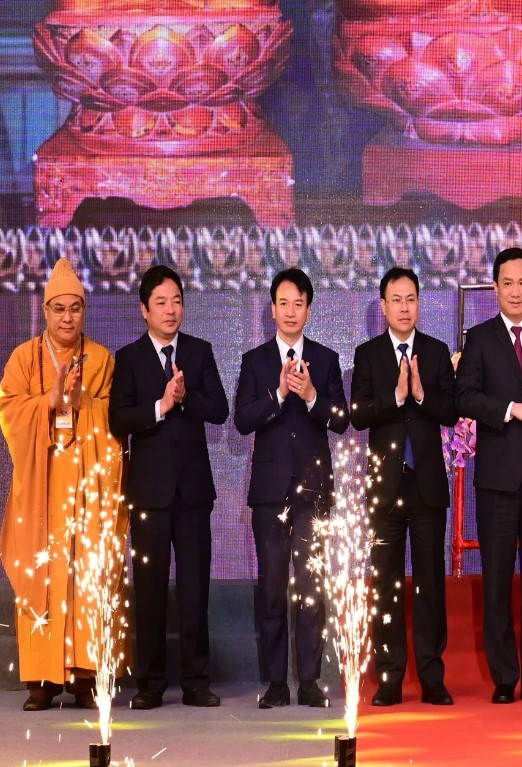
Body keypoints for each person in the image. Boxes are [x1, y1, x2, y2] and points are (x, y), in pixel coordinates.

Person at [0, 257, 127, 711]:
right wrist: (50, 401)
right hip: (42, 486)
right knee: (43, 573)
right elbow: (10, 414)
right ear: (45, 311)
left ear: (84, 312)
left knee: (88, 575)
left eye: (75, 308)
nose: (67, 317)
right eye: (59, 309)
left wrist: (81, 401)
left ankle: (87, 675)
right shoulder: (22, 358)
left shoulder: (103, 360)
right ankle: (41, 680)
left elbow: (114, 421)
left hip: (88, 484)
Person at [108, 265, 230, 709]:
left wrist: (185, 398)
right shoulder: (130, 358)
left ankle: (197, 681)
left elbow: (219, 409)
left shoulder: (199, 352)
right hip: (149, 494)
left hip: (194, 493)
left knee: (196, 588)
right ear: (144, 309)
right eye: (160, 302)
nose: (170, 309)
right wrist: (160, 406)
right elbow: (118, 419)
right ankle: (150, 684)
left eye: (176, 300)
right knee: (150, 589)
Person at [454, 247, 522, 705]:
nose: (516, 291)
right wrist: (511, 409)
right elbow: (465, 398)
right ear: (495, 288)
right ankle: (504, 679)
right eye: (508, 283)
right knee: (497, 582)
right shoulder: (479, 339)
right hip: (497, 480)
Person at [234, 267, 349, 709]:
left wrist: (313, 396)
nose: (289, 311)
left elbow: (342, 419)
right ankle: (276, 684)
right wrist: (280, 394)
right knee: (272, 589)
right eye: (282, 303)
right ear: (272, 309)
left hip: (314, 492)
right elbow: (242, 421)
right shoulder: (255, 361)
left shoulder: (325, 358)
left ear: (309, 310)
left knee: (312, 588)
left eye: (298, 303)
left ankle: (310, 682)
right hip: (269, 494)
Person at [351, 267, 457, 707]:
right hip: (385, 489)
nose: (404, 307)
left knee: (430, 584)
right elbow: (358, 414)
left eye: (411, 298)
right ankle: (390, 678)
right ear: (383, 306)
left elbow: (450, 411)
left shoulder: (435, 351)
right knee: (388, 583)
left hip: (427, 487)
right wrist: (396, 398)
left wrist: (420, 394)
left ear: (419, 303)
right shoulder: (368, 353)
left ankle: (433, 677)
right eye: (396, 299)